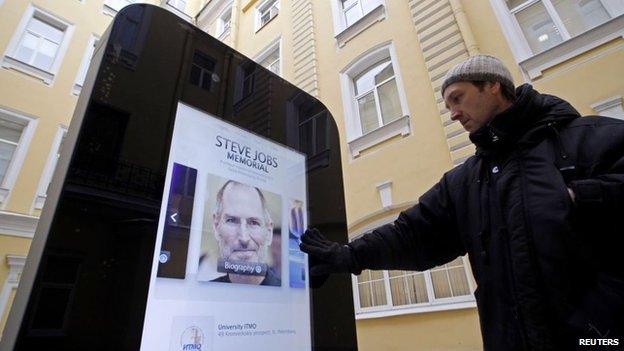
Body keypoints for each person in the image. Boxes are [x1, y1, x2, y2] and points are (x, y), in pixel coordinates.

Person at [300, 55, 624, 350]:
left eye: (458, 98)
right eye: (448, 106)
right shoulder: (466, 181)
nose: (454, 113)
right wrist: (346, 255)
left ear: (494, 86)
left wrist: (580, 196)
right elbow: (411, 234)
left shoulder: (591, 138)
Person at [209, 180, 280, 286]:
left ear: (269, 233)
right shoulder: (206, 292)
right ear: (216, 227)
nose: (244, 238)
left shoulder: (292, 299)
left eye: (254, 223)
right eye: (231, 220)